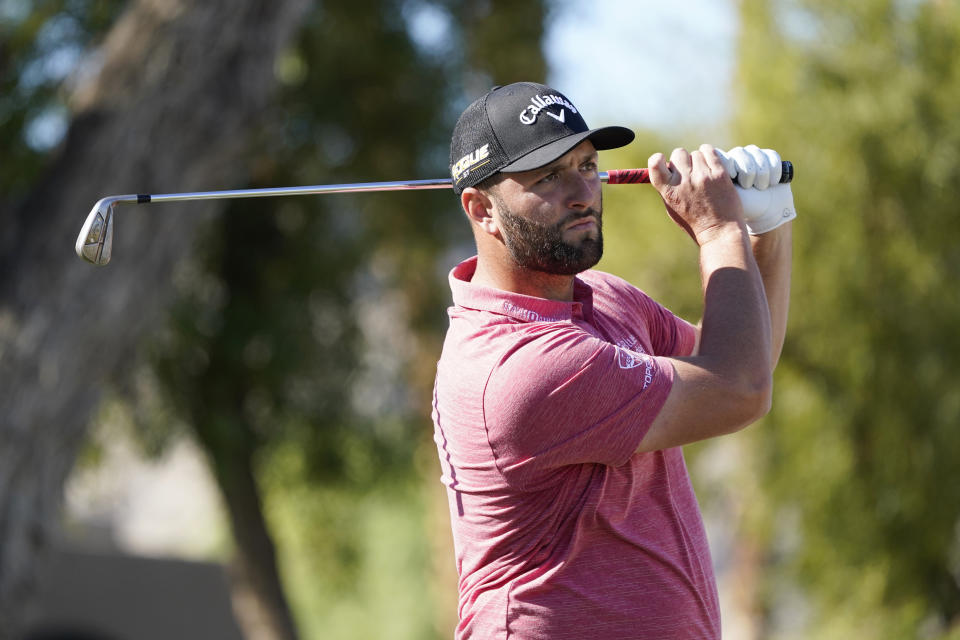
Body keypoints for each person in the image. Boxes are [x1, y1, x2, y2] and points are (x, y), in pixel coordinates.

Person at [431, 81, 794, 639]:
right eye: (547, 176)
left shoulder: (605, 299)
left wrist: (767, 230)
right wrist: (718, 230)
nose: (582, 191)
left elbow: (747, 358)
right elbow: (738, 388)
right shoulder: (515, 368)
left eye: (585, 164)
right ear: (483, 210)